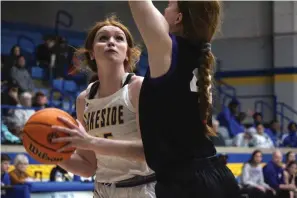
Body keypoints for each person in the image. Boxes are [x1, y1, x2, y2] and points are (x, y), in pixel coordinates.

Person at [128, 1, 239, 197]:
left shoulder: (167, 49)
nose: (164, 10)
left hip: (187, 185)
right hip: (217, 175)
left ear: (178, 18)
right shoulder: (200, 56)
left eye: (169, 5)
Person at [51, 16, 155, 198]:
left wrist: (90, 142)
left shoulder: (138, 87)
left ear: (127, 53)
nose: (111, 42)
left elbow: (149, 152)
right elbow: (87, 166)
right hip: (102, 190)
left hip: (142, 187)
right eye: (103, 38)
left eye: (119, 38)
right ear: (91, 52)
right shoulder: (84, 99)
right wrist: (50, 154)